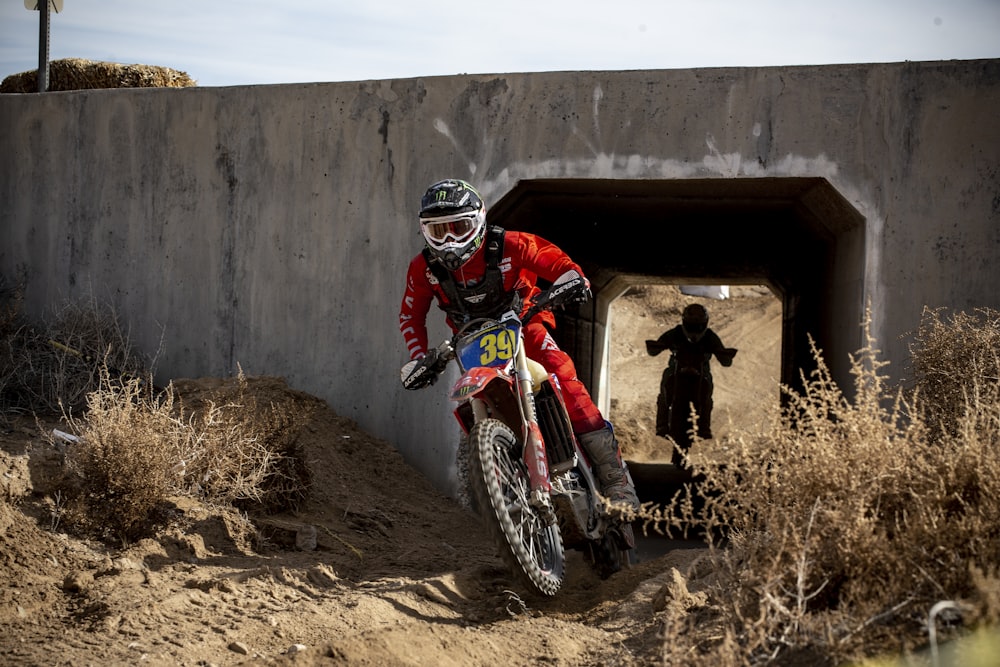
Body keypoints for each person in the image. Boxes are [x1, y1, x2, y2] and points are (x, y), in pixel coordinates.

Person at [398, 178, 639, 511]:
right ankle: (498, 483)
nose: (450, 240)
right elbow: (411, 316)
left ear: (479, 221)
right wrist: (418, 357)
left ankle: (616, 480)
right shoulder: (423, 268)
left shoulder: (509, 244)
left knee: (563, 379)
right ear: (425, 232)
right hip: (472, 343)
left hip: (527, 326)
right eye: (439, 232)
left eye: (458, 227)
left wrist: (571, 278)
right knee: (473, 399)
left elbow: (555, 262)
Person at [646, 303, 737, 456]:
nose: (694, 330)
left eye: (698, 326)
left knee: (707, 396)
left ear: (704, 324)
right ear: (684, 321)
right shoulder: (676, 332)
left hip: (701, 373)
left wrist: (723, 354)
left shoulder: (709, 336)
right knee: (664, 391)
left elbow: (725, 360)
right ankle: (662, 424)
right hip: (676, 370)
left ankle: (704, 427)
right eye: (691, 325)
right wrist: (658, 345)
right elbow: (659, 345)